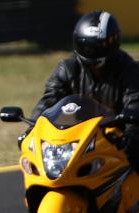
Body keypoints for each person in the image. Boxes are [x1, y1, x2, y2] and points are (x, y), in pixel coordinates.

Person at [26, 11, 139, 170]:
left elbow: (135, 105)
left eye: (97, 47)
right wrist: (31, 132)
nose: (91, 52)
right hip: (75, 142)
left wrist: (131, 137)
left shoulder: (130, 71)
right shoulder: (67, 69)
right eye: (85, 46)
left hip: (115, 141)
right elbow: (48, 102)